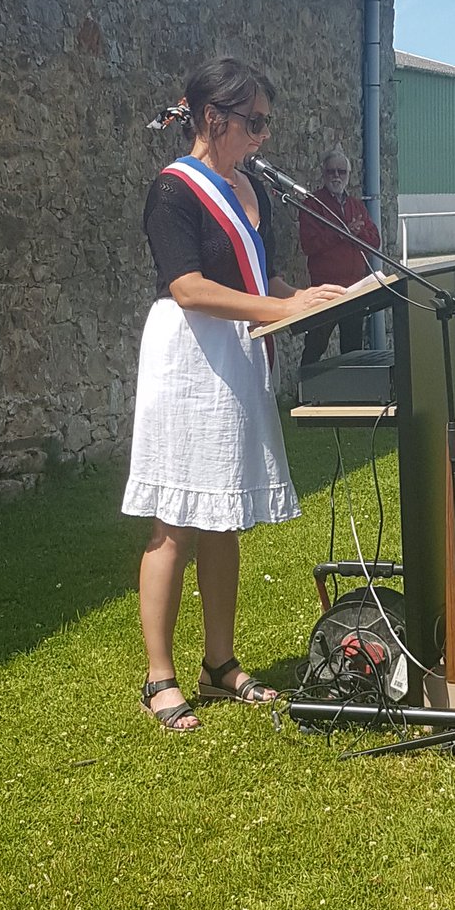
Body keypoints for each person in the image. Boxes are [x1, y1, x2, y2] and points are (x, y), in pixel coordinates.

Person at [122, 58, 346, 732]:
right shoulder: (173, 190)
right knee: (174, 521)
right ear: (212, 119)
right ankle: (158, 676)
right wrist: (278, 309)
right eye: (254, 123)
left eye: (267, 124)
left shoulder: (255, 191)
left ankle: (218, 665)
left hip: (239, 354)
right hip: (188, 357)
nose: (262, 137)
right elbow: (186, 285)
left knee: (223, 516)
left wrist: (308, 300)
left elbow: (264, 276)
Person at [298, 146, 381, 367]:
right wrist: (342, 233)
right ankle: (303, 391)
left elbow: (374, 241)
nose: (336, 176)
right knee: (316, 344)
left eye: (341, 172)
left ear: (348, 175)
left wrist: (356, 232)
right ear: (323, 174)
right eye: (331, 171)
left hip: (355, 287)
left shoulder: (357, 205)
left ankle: (352, 394)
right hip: (325, 289)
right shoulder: (313, 204)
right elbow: (309, 244)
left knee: (353, 347)